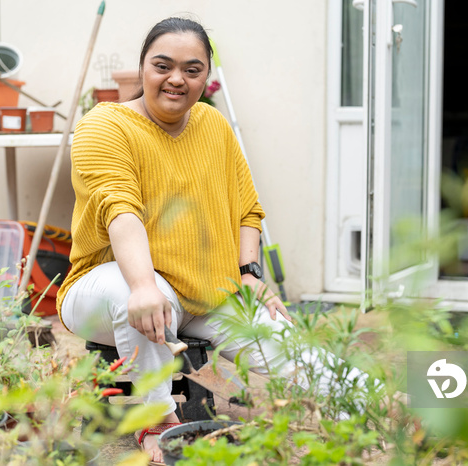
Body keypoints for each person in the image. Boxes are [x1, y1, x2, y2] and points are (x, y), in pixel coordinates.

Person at [56, 17, 292, 464]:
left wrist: (248, 273)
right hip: (101, 292)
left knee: (286, 345)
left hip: (200, 292)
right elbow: (119, 209)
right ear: (142, 67)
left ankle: (393, 405)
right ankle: (159, 424)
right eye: (162, 65)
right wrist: (143, 284)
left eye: (192, 69)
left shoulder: (213, 126)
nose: (176, 79)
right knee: (139, 292)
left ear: (206, 77)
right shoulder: (103, 125)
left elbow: (247, 209)